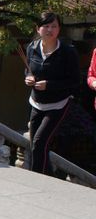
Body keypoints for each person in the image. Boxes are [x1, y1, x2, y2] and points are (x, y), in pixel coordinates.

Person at [25, 11, 79, 175]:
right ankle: (46, 176)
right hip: (36, 102)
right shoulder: (32, 48)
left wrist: (50, 85)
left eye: (54, 26)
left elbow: (75, 81)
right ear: (38, 29)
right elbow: (27, 70)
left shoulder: (68, 52)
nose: (50, 30)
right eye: (46, 26)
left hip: (58, 104)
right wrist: (27, 78)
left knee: (40, 142)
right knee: (35, 144)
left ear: (59, 29)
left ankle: (36, 180)